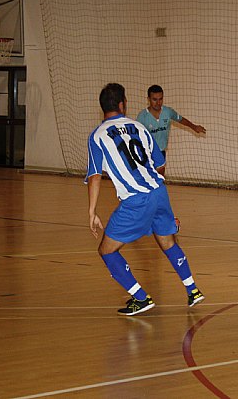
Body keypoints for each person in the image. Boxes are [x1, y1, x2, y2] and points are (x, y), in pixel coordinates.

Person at [86, 83, 205, 316]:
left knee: (107, 251)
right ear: (123, 104)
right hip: (159, 192)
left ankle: (141, 298)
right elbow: (159, 164)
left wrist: (92, 212)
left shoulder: (97, 136)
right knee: (167, 241)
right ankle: (192, 289)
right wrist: (158, 203)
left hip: (136, 200)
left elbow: (95, 176)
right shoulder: (139, 127)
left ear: (102, 108)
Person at [136, 85, 206, 175]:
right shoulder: (142, 116)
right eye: (154, 99)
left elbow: (181, 119)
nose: (158, 103)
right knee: (148, 178)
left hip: (161, 151)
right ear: (148, 99)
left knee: (160, 178)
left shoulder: (168, 112)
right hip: (147, 152)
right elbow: (136, 135)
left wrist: (194, 127)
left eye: (160, 99)